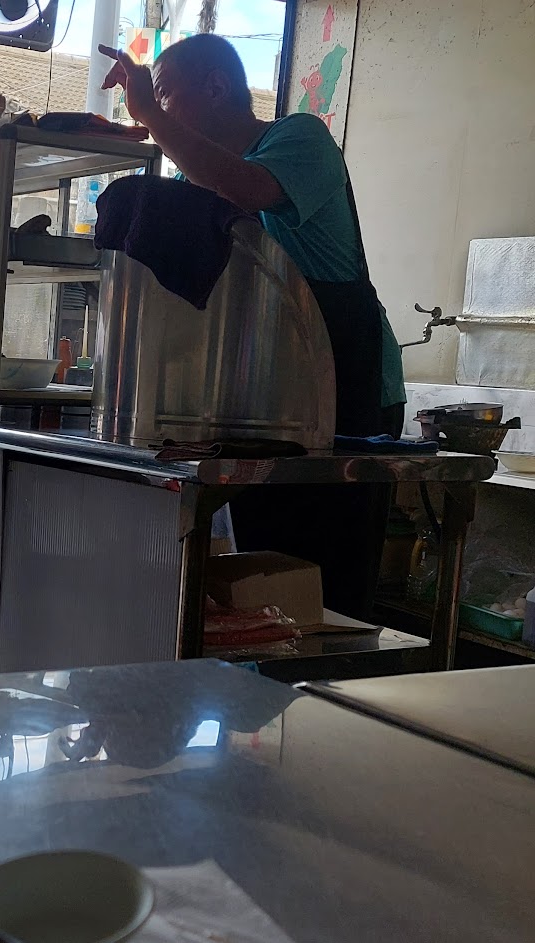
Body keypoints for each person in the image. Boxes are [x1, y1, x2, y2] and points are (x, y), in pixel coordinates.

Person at [99, 35, 406, 618]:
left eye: (165, 93)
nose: (155, 109)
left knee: (330, 585)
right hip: (265, 401)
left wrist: (151, 116)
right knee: (266, 581)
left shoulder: (299, 139)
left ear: (216, 86)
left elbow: (244, 186)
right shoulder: (200, 185)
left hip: (352, 395)